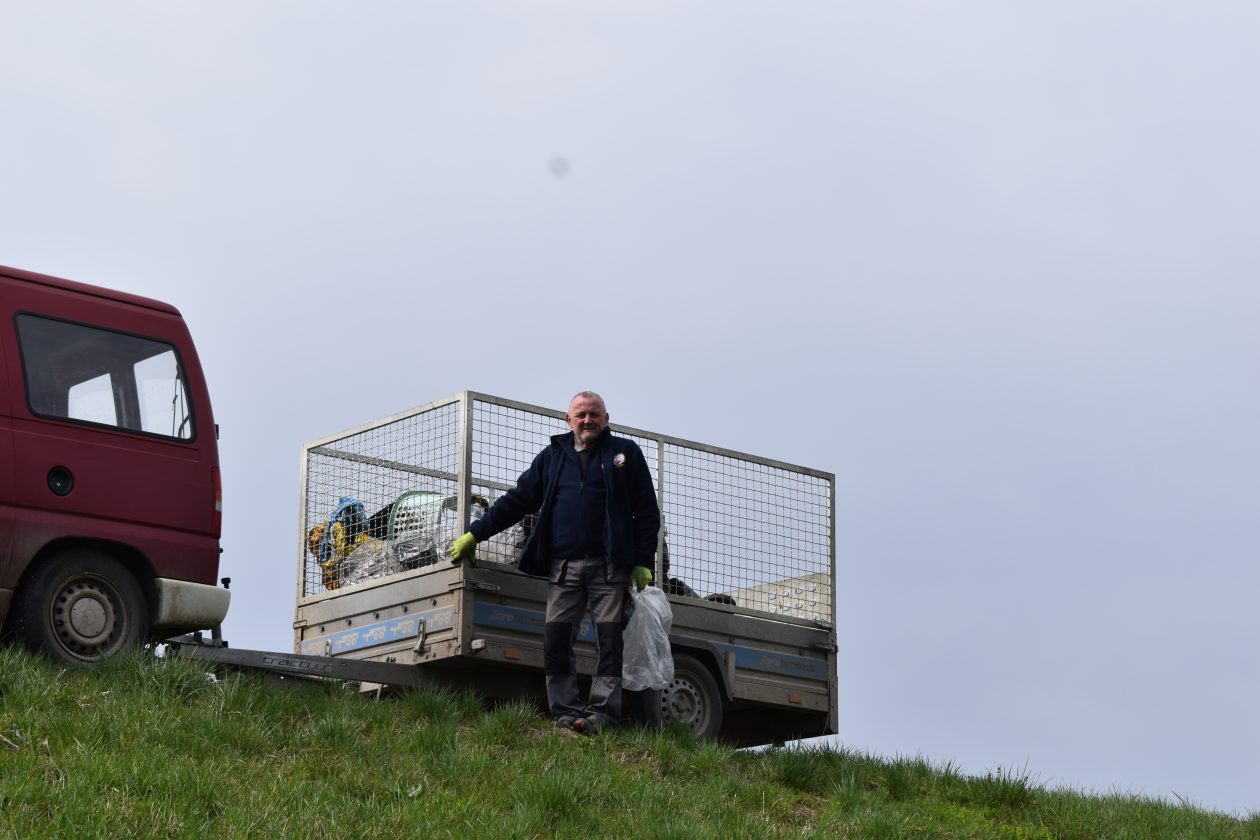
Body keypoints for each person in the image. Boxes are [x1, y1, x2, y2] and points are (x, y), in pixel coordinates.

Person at [449, 391, 660, 734]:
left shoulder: (625, 453)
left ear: (606, 419)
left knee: (609, 640)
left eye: (594, 414)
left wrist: (641, 560)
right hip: (564, 566)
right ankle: (566, 712)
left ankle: (602, 716)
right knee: (557, 638)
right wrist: (475, 534)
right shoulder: (552, 457)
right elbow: (518, 501)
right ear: (568, 420)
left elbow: (646, 512)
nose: (587, 420)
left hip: (610, 566)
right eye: (581, 415)